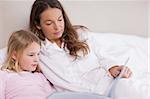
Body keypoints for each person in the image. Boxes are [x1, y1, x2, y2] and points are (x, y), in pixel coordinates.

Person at [0, 30, 55, 99]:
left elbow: (52, 96)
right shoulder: (4, 75)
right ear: (15, 55)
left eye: (38, 54)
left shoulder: (40, 76)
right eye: (31, 55)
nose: (36, 59)